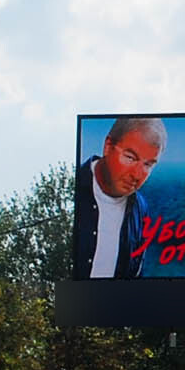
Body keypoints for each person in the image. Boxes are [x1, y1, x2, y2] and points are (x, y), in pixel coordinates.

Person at [73, 115, 165, 278]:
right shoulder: (72, 188)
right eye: (130, 157)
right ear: (108, 146)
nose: (137, 175)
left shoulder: (140, 208)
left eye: (148, 164)